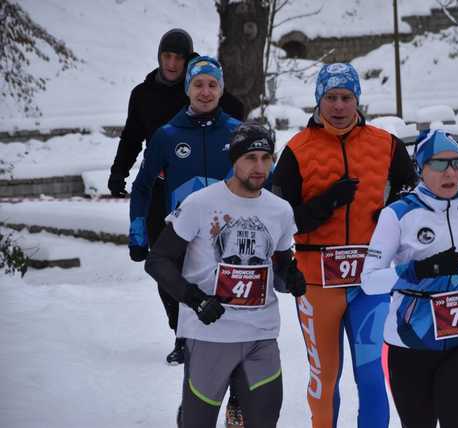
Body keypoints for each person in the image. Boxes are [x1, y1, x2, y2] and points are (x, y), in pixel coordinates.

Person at [271, 62, 417, 428]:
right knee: (325, 381)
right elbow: (278, 216)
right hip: (317, 284)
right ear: (319, 100)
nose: (338, 106)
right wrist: (326, 203)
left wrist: (390, 212)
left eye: (346, 98)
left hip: (370, 282)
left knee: (371, 378)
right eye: (331, 98)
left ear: (357, 100)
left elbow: (409, 190)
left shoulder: (385, 144)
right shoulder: (298, 149)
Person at [144, 123, 306, 428]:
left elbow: (282, 267)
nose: (259, 167)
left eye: (266, 158)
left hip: (261, 335)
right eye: (250, 158)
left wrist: (290, 278)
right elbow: (158, 260)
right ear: (234, 160)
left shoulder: (280, 210)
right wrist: (195, 299)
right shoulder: (200, 203)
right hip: (210, 336)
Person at [108, 28, 245, 365]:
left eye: (178, 58)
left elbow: (233, 114)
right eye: (166, 56)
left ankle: (219, 329)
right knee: (166, 263)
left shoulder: (205, 87)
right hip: (164, 192)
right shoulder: (143, 95)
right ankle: (181, 331)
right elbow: (131, 136)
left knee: (211, 262)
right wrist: (119, 172)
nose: (171, 63)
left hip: (213, 197)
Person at [127, 54, 247, 427]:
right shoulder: (167, 135)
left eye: (212, 84)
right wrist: (138, 229)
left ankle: (238, 402)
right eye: (198, 84)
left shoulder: (238, 132)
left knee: (242, 325)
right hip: (189, 247)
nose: (206, 91)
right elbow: (143, 185)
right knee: (198, 326)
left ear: (221, 88)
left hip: (235, 246)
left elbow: (263, 186)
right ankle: (194, 409)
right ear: (187, 89)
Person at [361, 129, 458, 428]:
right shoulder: (398, 214)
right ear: (421, 169)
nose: (450, 172)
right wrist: (419, 270)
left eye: (457, 163)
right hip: (410, 343)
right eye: (438, 164)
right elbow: (369, 281)